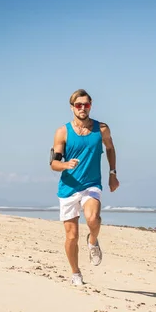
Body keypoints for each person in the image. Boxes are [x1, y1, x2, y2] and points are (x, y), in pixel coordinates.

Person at [49, 89, 119, 286]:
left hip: (91, 184)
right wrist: (66, 165)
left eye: (85, 105)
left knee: (92, 218)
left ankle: (92, 241)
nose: (82, 108)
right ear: (72, 107)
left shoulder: (102, 129)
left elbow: (110, 148)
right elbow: (53, 164)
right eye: (78, 105)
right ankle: (76, 273)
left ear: (90, 106)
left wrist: (112, 174)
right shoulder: (62, 132)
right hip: (69, 187)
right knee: (71, 236)